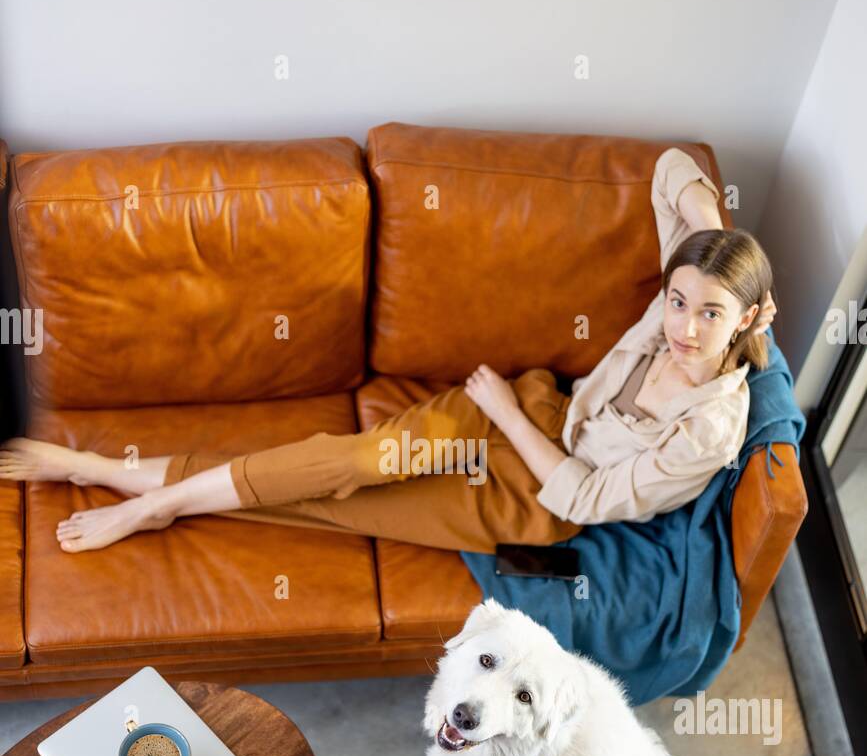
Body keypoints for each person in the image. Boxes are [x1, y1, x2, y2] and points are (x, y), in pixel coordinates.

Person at [0, 148, 775, 554]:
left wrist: (503, 412)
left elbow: (580, 500)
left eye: (710, 315)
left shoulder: (708, 428)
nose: (681, 328)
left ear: (743, 320)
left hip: (532, 493)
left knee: (326, 506)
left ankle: (112, 474)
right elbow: (675, 166)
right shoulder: (691, 294)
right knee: (351, 462)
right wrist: (716, 248)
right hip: (537, 409)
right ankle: (152, 498)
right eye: (676, 302)